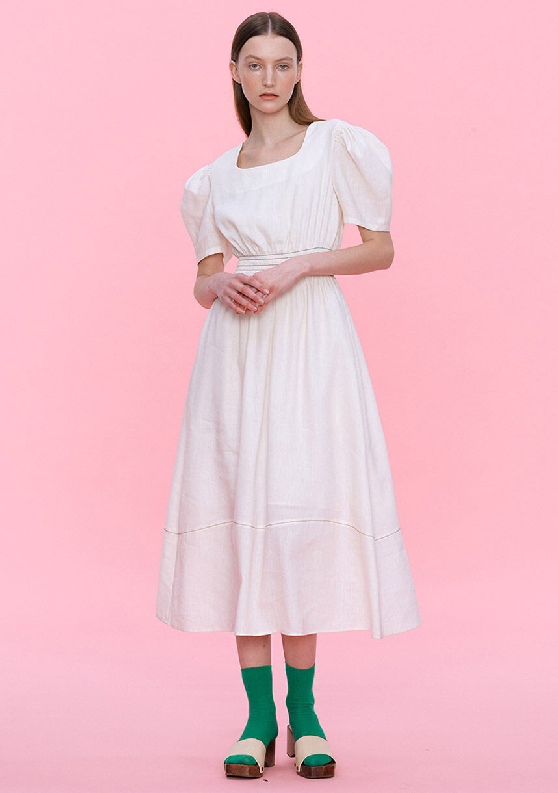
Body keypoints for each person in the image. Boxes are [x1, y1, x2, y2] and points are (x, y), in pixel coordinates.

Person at [156, 10, 421, 780]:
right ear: (234, 73)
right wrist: (219, 284)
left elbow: (380, 248)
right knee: (245, 520)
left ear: (299, 70)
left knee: (298, 522)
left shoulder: (336, 146)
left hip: (310, 344)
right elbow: (203, 279)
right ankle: (257, 718)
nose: (268, 78)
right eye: (254, 64)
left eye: (281, 63)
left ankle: (304, 715)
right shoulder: (212, 177)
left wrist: (301, 264)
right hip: (236, 353)